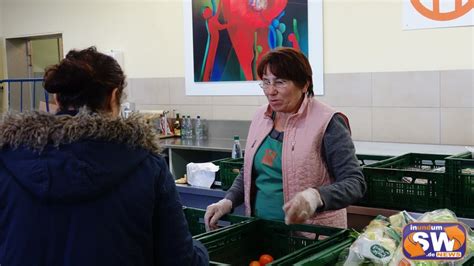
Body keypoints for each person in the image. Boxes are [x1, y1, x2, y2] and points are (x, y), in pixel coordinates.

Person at [0, 47, 208, 266]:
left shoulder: (8, 161)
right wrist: (201, 249)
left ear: (57, 99)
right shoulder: (146, 166)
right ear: (113, 96)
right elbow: (181, 260)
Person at [205, 47, 366, 230]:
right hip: (260, 231)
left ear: (304, 84)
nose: (271, 91)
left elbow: (355, 183)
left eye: (280, 82)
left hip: (311, 236)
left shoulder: (328, 122)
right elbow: (249, 172)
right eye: (266, 82)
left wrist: (316, 197)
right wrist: (228, 200)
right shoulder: (261, 117)